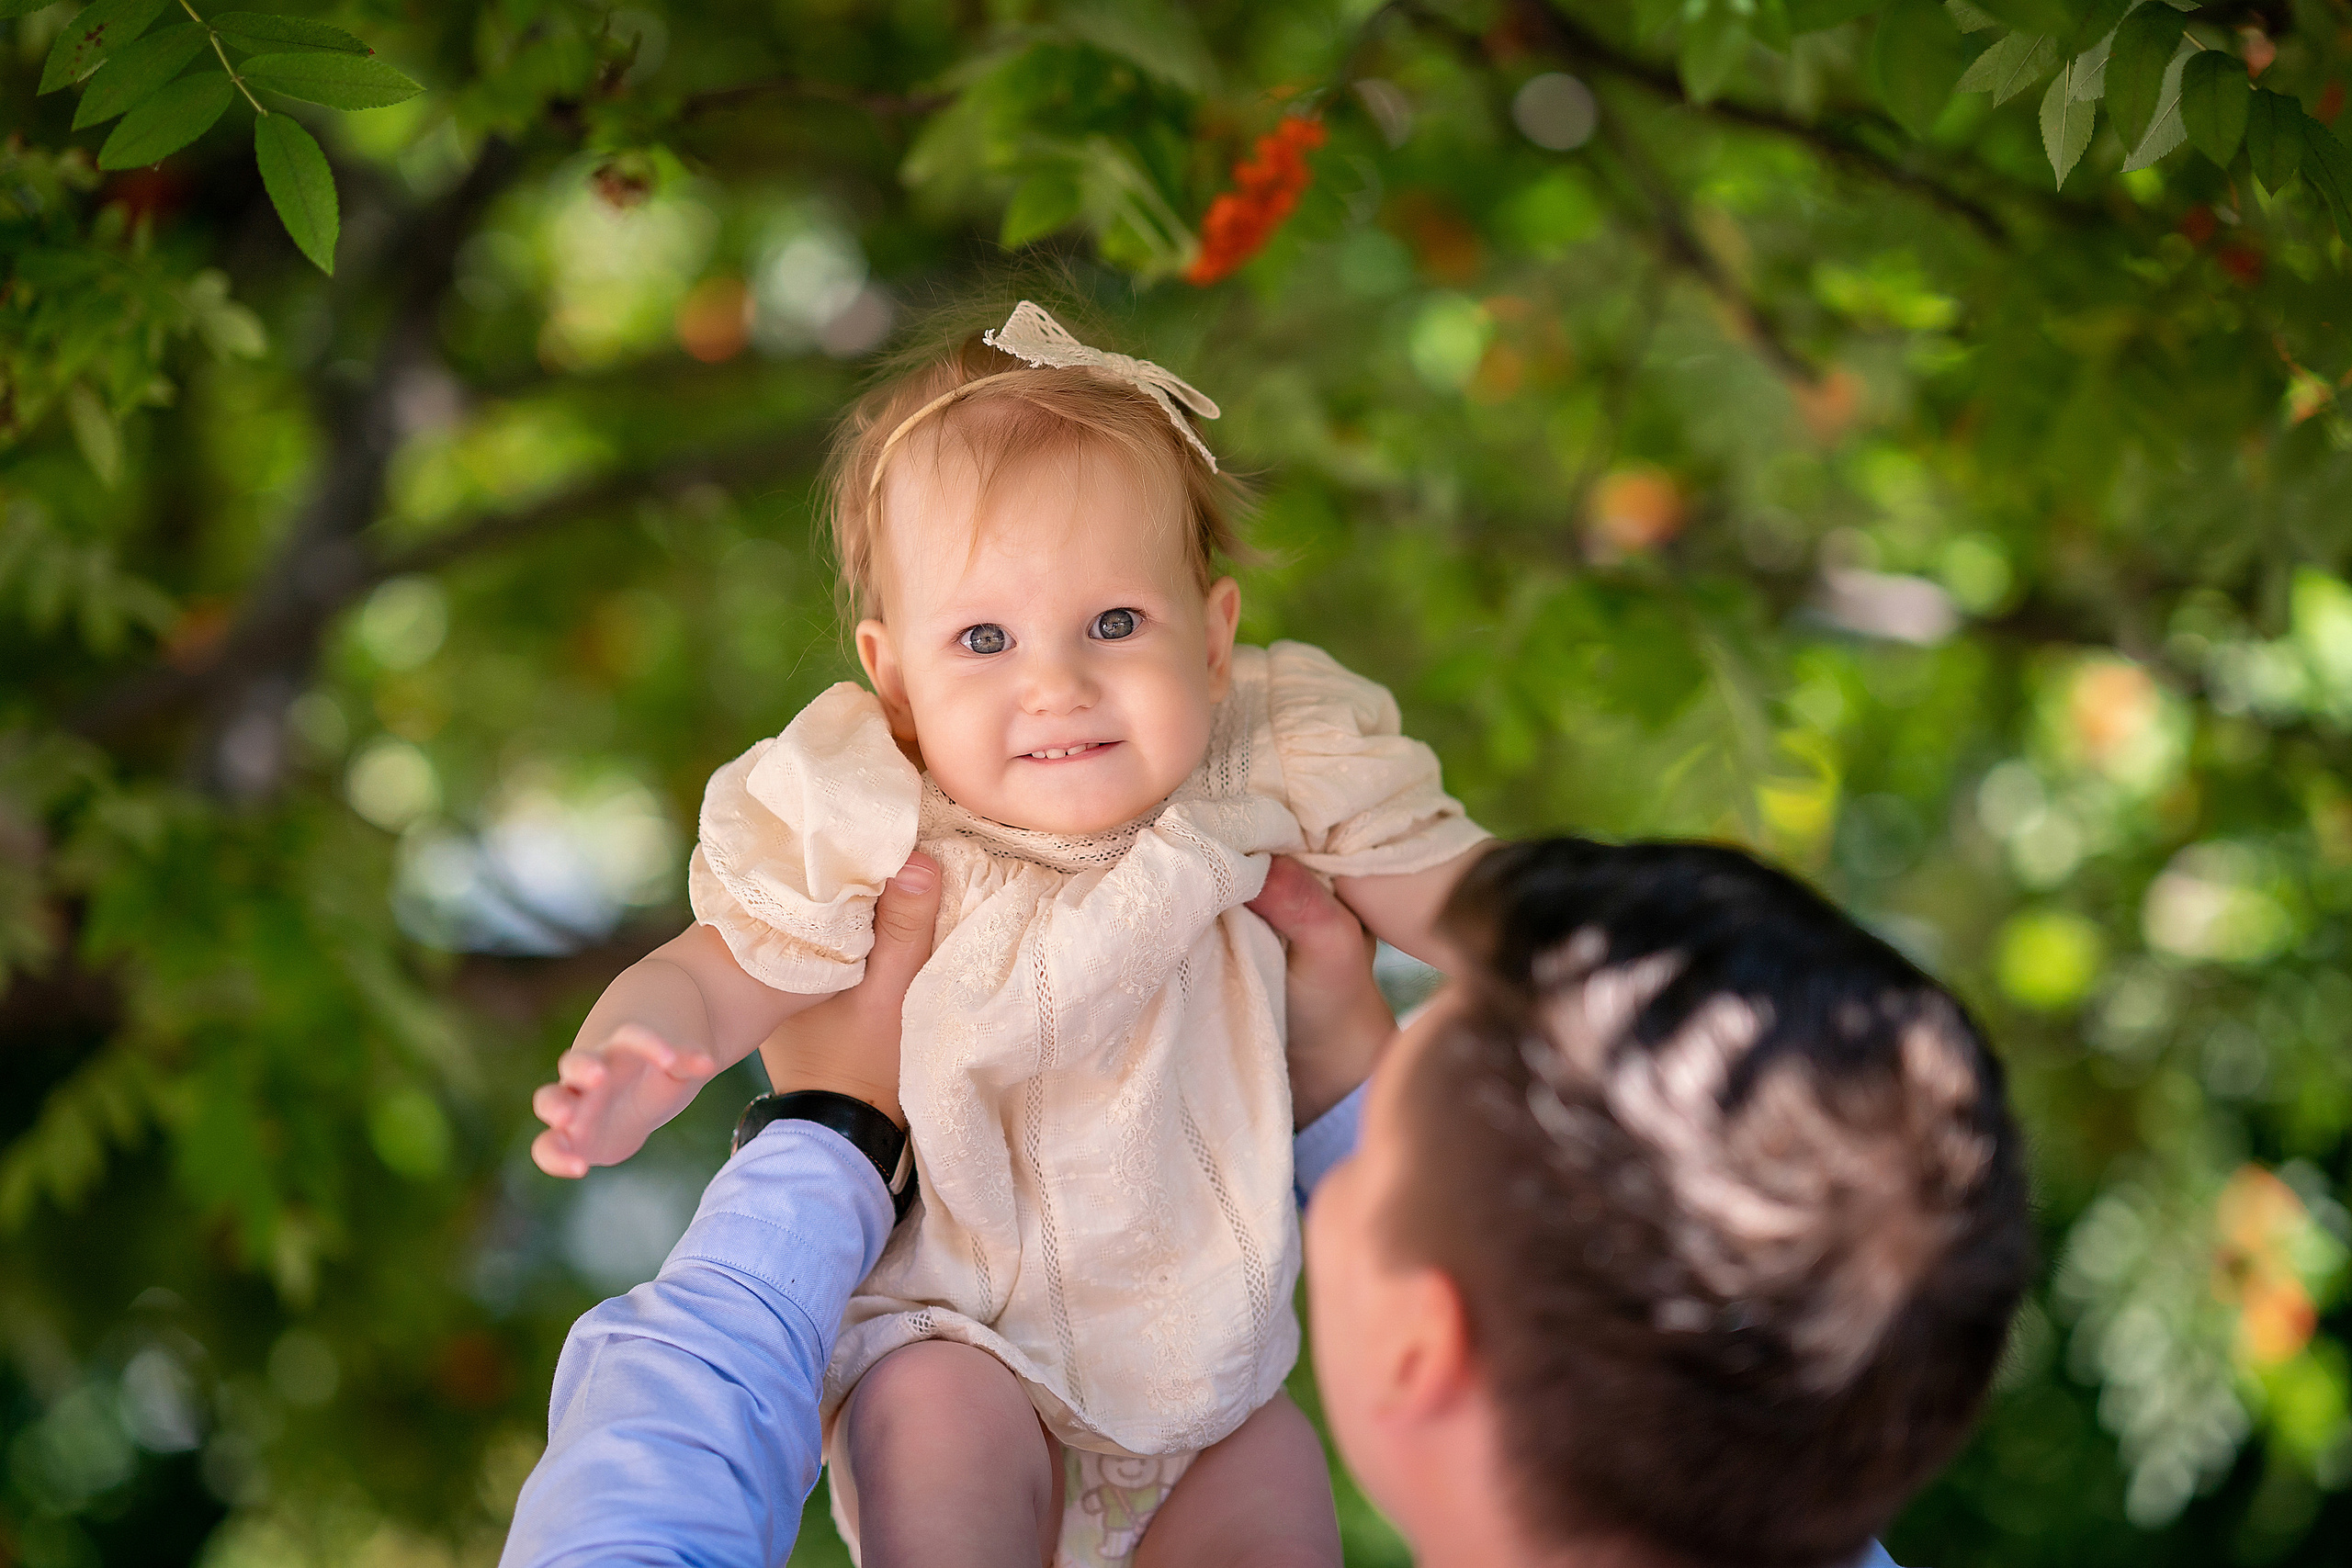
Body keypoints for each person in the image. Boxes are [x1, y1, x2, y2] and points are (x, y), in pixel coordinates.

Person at [524, 296, 1489, 1567]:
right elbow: (716, 972)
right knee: (938, 1419)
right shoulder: (869, 816)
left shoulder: (1277, 758)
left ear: (1212, 641)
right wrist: (645, 1049)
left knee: (1280, 1468)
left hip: (1209, 1393)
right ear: (896, 678)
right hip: (955, 1340)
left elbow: (1469, 898)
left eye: (1115, 624)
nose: (1056, 683)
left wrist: (1633, 959)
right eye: (983, 638)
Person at [505, 838, 2031, 1568]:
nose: (1321, 1164)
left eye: (1365, 1168)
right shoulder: (1787, 1446)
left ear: (1426, 1345)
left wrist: (829, 1134)